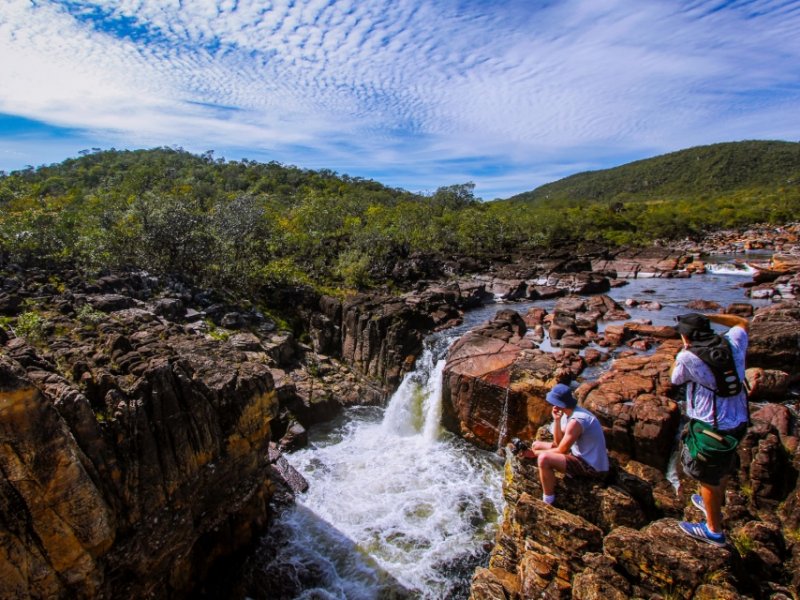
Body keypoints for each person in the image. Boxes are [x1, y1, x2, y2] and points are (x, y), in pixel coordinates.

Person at [672, 312, 749, 547]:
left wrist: (681, 352)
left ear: (686, 337)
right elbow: (741, 322)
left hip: (711, 426)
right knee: (720, 467)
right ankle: (712, 502)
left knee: (706, 477)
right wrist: (708, 316)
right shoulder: (732, 341)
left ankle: (714, 531)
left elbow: (675, 379)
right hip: (739, 420)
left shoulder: (688, 356)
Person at [516, 383, 609, 505]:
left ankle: (548, 500)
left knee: (543, 459)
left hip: (591, 466)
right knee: (536, 444)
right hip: (578, 454)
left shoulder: (577, 421)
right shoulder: (568, 413)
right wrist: (557, 420)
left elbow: (561, 450)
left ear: (559, 403)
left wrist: (534, 454)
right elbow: (557, 443)